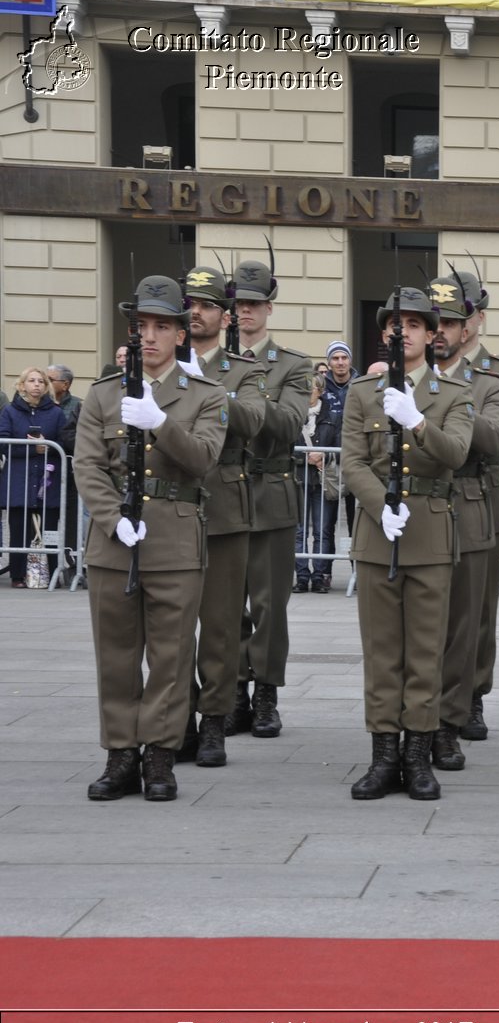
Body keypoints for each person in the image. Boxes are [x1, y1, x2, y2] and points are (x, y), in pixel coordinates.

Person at [77, 275, 226, 801]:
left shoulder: (207, 396)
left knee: (170, 656)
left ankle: (160, 758)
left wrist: (160, 421)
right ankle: (120, 756)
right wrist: (110, 517)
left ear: (182, 334)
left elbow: (204, 460)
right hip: (114, 541)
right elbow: (88, 465)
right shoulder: (102, 394)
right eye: (142, 325)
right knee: (116, 654)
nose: (151, 336)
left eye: (163, 326)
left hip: (176, 540)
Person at [341, 287, 475, 800]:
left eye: (415, 325)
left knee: (424, 653)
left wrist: (417, 420)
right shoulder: (360, 394)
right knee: (381, 653)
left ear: (430, 334)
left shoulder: (453, 394)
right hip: (380, 534)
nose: (405, 333)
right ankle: (383, 756)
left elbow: (457, 453)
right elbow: (353, 461)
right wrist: (379, 505)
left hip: (431, 534)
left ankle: (419, 757)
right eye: (395, 324)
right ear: (384, 333)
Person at [180, 265, 268, 765]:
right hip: (171, 507)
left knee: (219, 627)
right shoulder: (157, 367)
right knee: (171, 629)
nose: (196, 312)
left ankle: (213, 722)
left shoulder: (242, 370)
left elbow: (255, 419)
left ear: (224, 314)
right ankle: (179, 720)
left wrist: (209, 390)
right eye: (189, 304)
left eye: (207, 305)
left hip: (224, 509)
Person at [424, 276, 499, 770]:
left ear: (468, 326)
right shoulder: (401, 379)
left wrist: (449, 404)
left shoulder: (490, 383)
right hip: (417, 509)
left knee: (465, 624)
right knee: (421, 625)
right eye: (433, 322)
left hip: (471, 502)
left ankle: (450, 720)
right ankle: (415, 719)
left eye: (450, 322)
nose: (440, 331)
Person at [231, 257, 312, 739]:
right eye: (238, 304)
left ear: (269, 308)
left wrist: (244, 396)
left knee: (268, 604)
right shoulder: (210, 363)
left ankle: (265, 693)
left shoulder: (293, 365)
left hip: (269, 490)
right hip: (220, 493)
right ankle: (232, 691)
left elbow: (289, 423)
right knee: (224, 606)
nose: (245, 313)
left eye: (254, 305)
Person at [448, 268, 499, 742]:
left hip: (482, 493)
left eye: (463, 313)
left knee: (478, 608)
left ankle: (473, 695)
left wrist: (455, 414)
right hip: (431, 496)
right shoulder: (428, 364)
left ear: (478, 317)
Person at [0, 366, 66, 587]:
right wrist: (31, 448)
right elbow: (3, 442)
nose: (36, 384)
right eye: (31, 380)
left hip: (49, 480)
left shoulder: (56, 413)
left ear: (46, 386)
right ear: (22, 385)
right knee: (19, 529)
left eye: (40, 381)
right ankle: (18, 576)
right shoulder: (10, 411)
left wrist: (49, 445)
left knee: (50, 530)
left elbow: (65, 441)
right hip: (19, 480)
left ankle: (53, 573)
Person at [298, 341, 355, 593]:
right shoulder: (300, 409)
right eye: (335, 358)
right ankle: (304, 576)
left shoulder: (358, 384)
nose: (340, 362)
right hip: (303, 475)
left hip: (334, 470)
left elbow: (340, 435)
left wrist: (326, 457)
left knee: (331, 527)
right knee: (302, 530)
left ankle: (323, 574)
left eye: (344, 357)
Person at [45, 363, 82, 572]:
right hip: (44, 472)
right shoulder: (41, 405)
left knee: (72, 520)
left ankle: (73, 562)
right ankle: (43, 565)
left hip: (69, 472)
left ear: (65, 384)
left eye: (50, 380)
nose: (44, 384)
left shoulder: (77, 405)